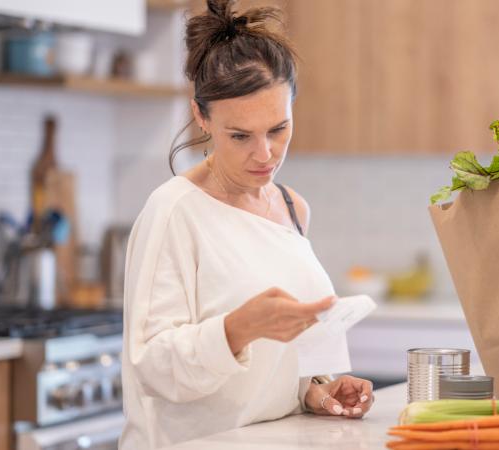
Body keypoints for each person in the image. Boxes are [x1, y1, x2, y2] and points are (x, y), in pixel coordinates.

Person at [119, 0, 375, 447]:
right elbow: (152, 366)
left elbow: (272, 370)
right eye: (240, 136)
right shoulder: (174, 211)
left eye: (278, 129)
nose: (265, 154)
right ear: (202, 117)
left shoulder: (294, 207)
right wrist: (239, 327)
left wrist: (314, 390)